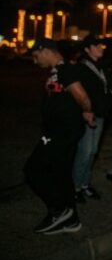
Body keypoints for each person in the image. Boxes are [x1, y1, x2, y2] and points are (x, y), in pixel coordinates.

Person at [24, 38, 94, 235]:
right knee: (62, 174)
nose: (35, 61)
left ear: (46, 51)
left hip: (63, 132)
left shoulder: (65, 70)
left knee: (33, 170)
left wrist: (87, 111)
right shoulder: (56, 72)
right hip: (58, 131)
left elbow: (82, 96)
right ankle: (71, 220)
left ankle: (59, 209)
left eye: (36, 56)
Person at [73, 35, 112, 202]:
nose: (101, 48)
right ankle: (75, 186)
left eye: (101, 45)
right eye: (97, 46)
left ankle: (84, 184)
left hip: (100, 114)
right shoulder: (82, 67)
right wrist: (84, 110)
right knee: (86, 150)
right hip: (89, 114)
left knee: (93, 151)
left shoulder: (101, 66)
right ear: (87, 49)